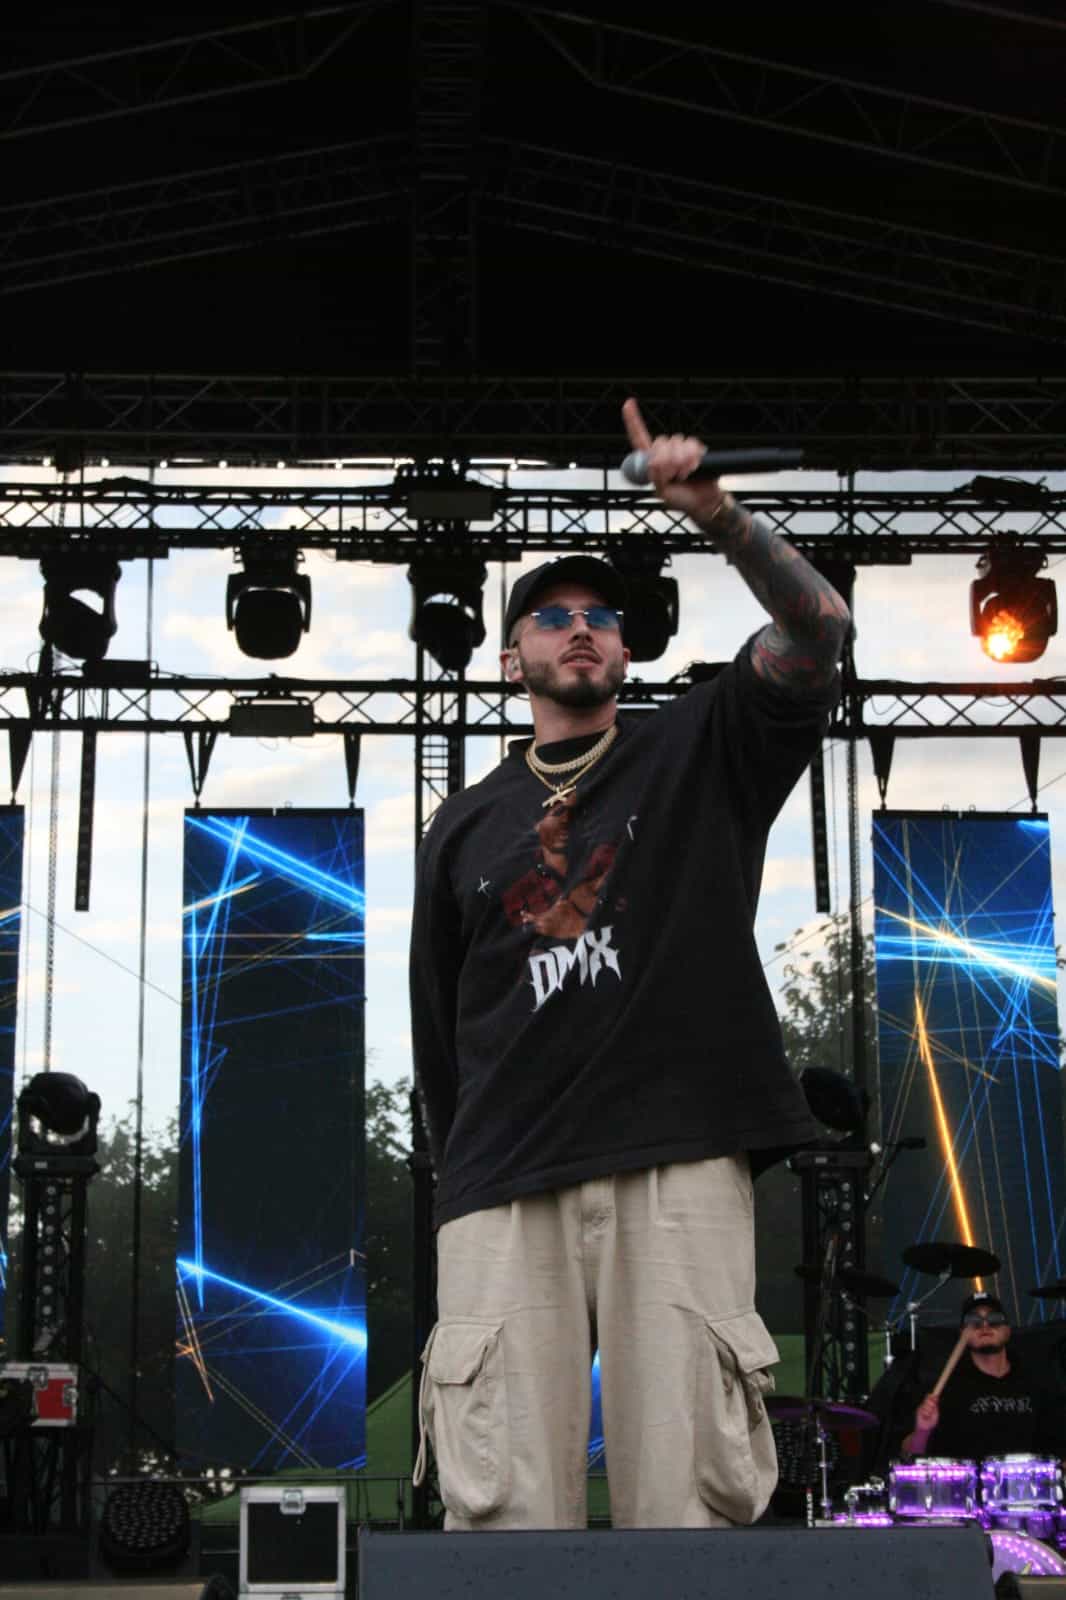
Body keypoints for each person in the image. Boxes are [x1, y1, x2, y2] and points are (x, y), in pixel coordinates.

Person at [409, 397, 852, 1531]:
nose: (580, 628)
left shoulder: (699, 744)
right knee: (501, 1509)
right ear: (511, 654)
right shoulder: (462, 826)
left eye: (600, 614)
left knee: (690, 1498)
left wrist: (717, 515)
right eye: (552, 616)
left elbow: (817, 638)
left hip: (677, 1153)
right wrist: (463, 1177)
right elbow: (442, 1034)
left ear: (624, 645)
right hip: (505, 1177)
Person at [901, 1292, 1063, 1460]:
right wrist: (922, 1431)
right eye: (974, 1321)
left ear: (1008, 1330)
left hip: (1030, 1476)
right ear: (963, 1333)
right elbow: (910, 1457)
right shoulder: (946, 1389)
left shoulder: (1036, 1381)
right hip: (970, 1477)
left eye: (994, 1319)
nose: (985, 1325)